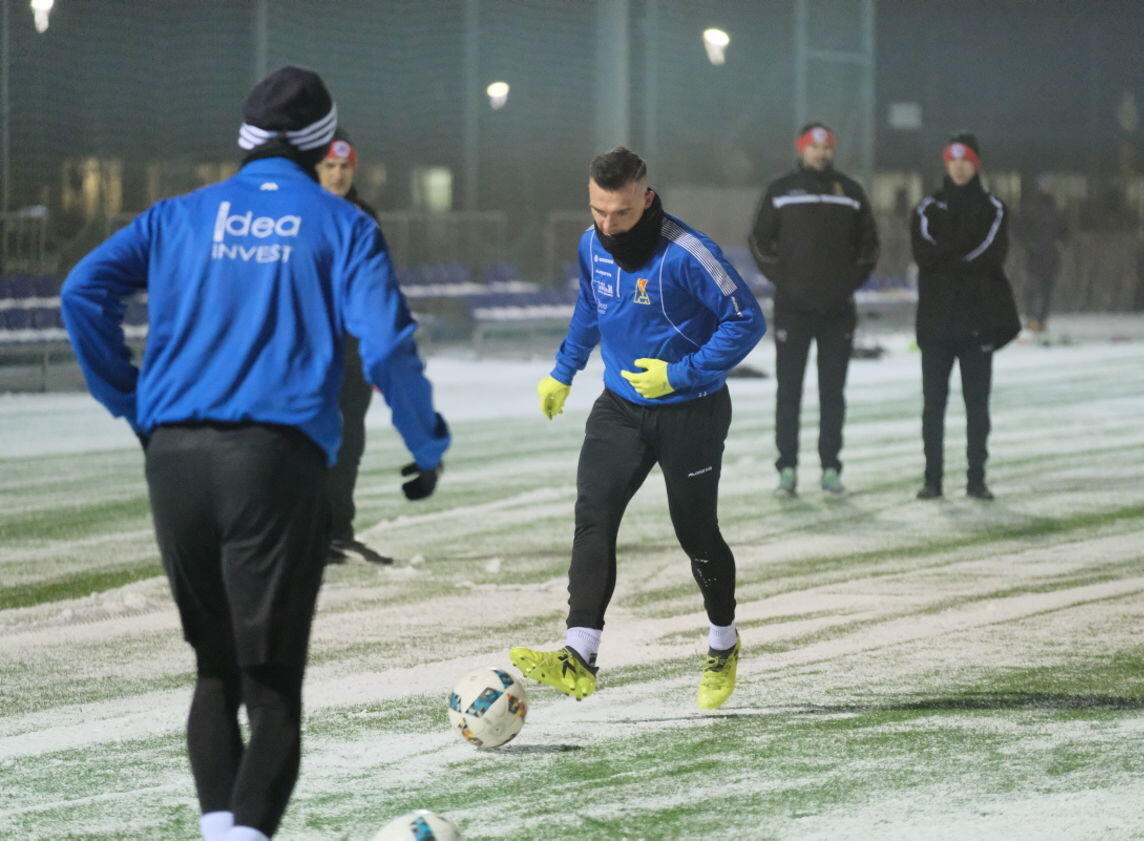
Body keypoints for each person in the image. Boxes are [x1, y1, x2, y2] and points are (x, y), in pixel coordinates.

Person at [60, 66, 449, 841]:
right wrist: (425, 441)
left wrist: (131, 402)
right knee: (272, 690)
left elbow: (81, 292)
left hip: (174, 459)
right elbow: (386, 346)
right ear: (322, 141)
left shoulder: (177, 215)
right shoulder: (342, 224)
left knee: (215, 671)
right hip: (273, 463)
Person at [510, 147, 765, 710]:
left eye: (621, 212)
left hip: (692, 410)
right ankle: (579, 654)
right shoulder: (590, 244)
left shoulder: (689, 253)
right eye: (598, 210)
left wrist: (681, 373)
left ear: (646, 199)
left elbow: (747, 320)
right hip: (620, 408)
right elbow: (591, 305)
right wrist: (563, 371)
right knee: (593, 515)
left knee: (695, 533)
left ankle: (723, 641)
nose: (608, 225)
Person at [749, 122, 879, 498]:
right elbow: (759, 241)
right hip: (793, 309)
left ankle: (830, 469)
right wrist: (785, 279)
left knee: (832, 394)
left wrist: (847, 283)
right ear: (802, 149)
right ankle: (787, 469)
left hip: (838, 310)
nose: (821, 153)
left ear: (832, 151)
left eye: (826, 148)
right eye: (814, 147)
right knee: (789, 392)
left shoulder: (850, 191)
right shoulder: (781, 190)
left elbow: (870, 245)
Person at [910, 132, 1019, 501]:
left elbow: (989, 255)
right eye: (953, 160)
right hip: (936, 325)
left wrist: (948, 259)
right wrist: (959, 257)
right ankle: (932, 480)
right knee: (933, 407)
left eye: (966, 161)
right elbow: (924, 253)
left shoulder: (994, 209)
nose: (959, 167)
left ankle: (976, 479)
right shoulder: (927, 209)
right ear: (946, 163)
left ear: (976, 165)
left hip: (978, 324)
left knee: (977, 407)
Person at [314, 129, 392, 565]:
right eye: (330, 166)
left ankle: (338, 533)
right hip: (308, 353)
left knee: (349, 445)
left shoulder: (365, 216)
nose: (338, 174)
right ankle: (304, 535)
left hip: (354, 353)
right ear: (316, 169)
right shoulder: (298, 214)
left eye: (345, 167)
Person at [1019, 174, 1067, 332]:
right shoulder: (1036, 209)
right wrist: (1030, 244)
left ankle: (1040, 319)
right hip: (1037, 255)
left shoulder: (1056, 210)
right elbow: (1022, 230)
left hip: (1048, 255)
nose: (1047, 190)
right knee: (1036, 288)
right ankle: (1034, 318)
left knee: (1045, 289)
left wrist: (1059, 244)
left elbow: (1065, 232)